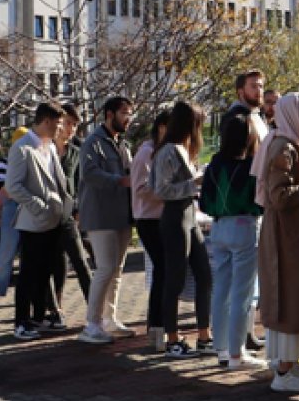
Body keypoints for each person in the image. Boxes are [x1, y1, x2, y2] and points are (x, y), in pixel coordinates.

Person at [255, 93, 299, 391]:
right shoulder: (283, 148)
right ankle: (284, 371)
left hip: (291, 235)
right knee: (290, 297)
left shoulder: (289, 144)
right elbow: (279, 195)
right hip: (286, 238)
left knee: (295, 298)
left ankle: (290, 365)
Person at [6, 102, 72, 341]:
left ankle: (39, 316)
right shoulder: (22, 148)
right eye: (56, 124)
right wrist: (39, 206)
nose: (60, 129)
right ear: (45, 122)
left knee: (45, 272)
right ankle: (21, 322)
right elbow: (13, 186)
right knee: (28, 274)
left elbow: (58, 181)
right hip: (33, 223)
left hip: (54, 220)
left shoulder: (50, 147)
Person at [202, 113, 264, 368]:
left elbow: (204, 202)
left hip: (218, 229)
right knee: (242, 294)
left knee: (221, 291)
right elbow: (258, 202)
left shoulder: (213, 165)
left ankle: (223, 350)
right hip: (244, 227)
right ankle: (238, 354)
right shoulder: (250, 165)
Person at [154, 101, 213, 359]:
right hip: (176, 217)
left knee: (204, 275)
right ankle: (173, 340)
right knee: (174, 280)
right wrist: (195, 182)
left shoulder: (181, 149)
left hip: (189, 216)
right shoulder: (168, 151)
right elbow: (160, 189)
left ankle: (204, 335)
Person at [77, 96, 136, 344]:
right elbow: (89, 174)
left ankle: (109, 318)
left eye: (130, 113)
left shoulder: (122, 143)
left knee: (117, 270)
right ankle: (92, 323)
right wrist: (120, 181)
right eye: (124, 113)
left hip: (121, 215)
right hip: (100, 215)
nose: (129, 118)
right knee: (105, 269)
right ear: (109, 115)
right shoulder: (93, 142)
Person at [46, 102, 92, 330]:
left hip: (67, 215)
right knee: (51, 265)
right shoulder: (44, 149)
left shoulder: (75, 152)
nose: (72, 128)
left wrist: (78, 210)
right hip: (45, 215)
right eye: (68, 123)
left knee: (80, 262)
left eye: (75, 124)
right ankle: (54, 309)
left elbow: (79, 184)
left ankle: (95, 310)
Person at [132, 110, 171, 350]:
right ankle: (156, 325)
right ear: (161, 127)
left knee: (165, 270)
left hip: (161, 217)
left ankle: (159, 324)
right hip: (148, 218)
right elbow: (141, 188)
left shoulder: (164, 151)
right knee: (162, 268)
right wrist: (171, 192)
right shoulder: (146, 153)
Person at [0, 126, 30, 311]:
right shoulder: (5, 161)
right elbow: (4, 187)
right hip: (12, 206)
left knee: (30, 256)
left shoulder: (35, 158)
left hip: (29, 207)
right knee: (5, 253)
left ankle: (30, 297)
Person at [224, 70, 270, 141]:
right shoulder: (234, 119)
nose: (259, 90)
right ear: (240, 91)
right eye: (253, 86)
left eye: (261, 86)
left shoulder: (259, 115)